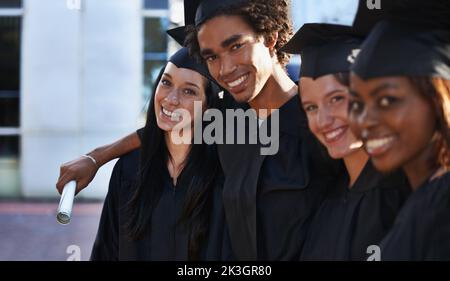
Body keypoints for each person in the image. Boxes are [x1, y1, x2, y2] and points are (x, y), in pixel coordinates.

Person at [58, 0, 334, 260]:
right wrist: (97, 157)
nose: (224, 68)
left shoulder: (322, 127)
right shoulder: (232, 119)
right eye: (211, 56)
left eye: (236, 46)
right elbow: (164, 128)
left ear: (270, 38)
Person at [281, 23, 410, 260]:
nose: (323, 120)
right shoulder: (328, 198)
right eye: (311, 107)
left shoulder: (406, 197)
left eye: (337, 99)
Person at [90, 47, 232, 261]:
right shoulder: (129, 169)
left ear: (207, 106)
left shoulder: (223, 177)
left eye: (189, 91)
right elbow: (106, 252)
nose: (171, 99)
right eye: (166, 82)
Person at [348, 1, 450, 260]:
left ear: (437, 100)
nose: (364, 120)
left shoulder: (440, 206)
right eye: (357, 103)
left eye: (387, 101)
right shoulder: (421, 197)